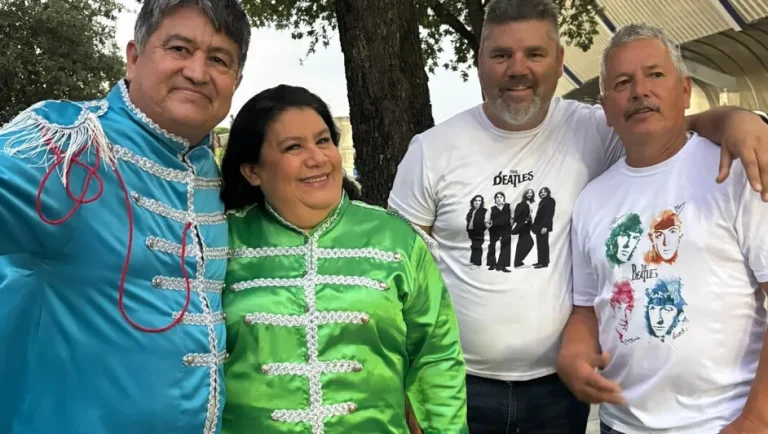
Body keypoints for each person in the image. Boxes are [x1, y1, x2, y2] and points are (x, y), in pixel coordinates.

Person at [387, 0, 768, 431]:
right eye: (501, 55)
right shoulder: (431, 151)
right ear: (479, 63)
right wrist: (402, 379)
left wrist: (739, 120)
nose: (518, 68)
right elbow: (392, 280)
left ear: (559, 61)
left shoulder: (592, 129)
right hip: (458, 384)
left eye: (534, 54)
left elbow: (665, 126)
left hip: (558, 394)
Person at [0, 1, 250, 433]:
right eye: (178, 48)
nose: (197, 71)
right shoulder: (65, 146)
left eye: (219, 59)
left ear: (236, 81)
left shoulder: (210, 170)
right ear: (134, 58)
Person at [218, 85, 468, 434]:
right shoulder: (218, 242)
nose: (317, 158)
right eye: (293, 147)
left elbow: (436, 357)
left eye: (323, 141)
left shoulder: (396, 240)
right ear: (252, 171)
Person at [560, 24, 768, 434]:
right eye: (622, 82)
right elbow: (586, 307)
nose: (639, 91)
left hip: (724, 423)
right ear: (605, 108)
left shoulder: (737, 171)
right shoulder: (591, 200)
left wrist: (758, 418)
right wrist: (573, 354)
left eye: (655, 75)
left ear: (685, 91)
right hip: (620, 426)